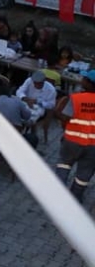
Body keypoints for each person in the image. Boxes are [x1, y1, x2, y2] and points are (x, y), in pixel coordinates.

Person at [56, 69, 95, 202]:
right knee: (84, 174)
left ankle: (58, 195)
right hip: (93, 147)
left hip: (72, 141)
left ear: (89, 83)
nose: (82, 80)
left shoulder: (76, 98)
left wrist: (57, 112)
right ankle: (75, 198)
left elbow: (65, 118)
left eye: (84, 79)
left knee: (64, 165)